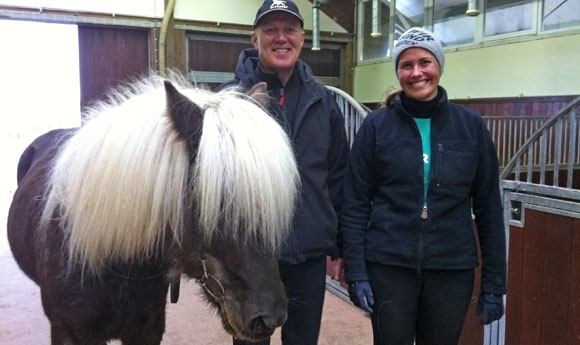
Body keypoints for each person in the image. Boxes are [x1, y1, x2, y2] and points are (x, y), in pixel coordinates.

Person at [341, 27, 507, 345]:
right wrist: (357, 272)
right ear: (398, 72)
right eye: (406, 65)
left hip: (451, 267)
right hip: (389, 265)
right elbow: (355, 202)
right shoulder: (376, 126)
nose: (416, 72)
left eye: (425, 62)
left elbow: (488, 207)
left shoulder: (470, 126)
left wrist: (494, 283)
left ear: (439, 66)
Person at [218, 1, 349, 344]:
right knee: (250, 339)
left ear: (301, 38)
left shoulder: (324, 102)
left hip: (306, 251)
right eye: (270, 30)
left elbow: (337, 176)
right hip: (250, 255)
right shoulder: (227, 102)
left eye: (289, 30)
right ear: (255, 38)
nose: (281, 38)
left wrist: (339, 244)